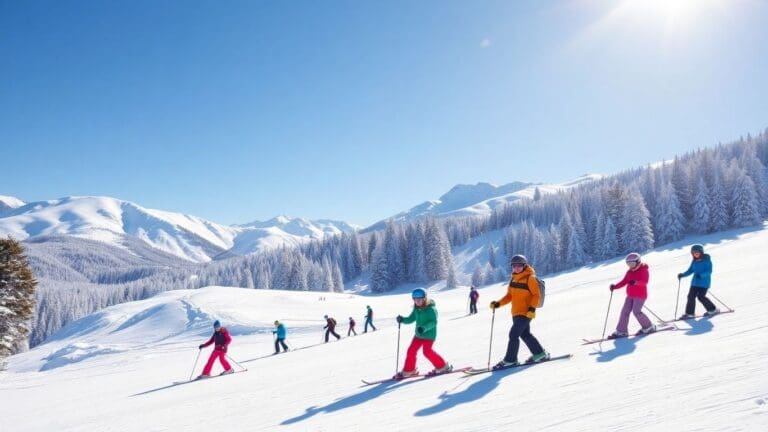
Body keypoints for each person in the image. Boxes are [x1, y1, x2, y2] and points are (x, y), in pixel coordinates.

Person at [490, 255, 549, 369]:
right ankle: (540, 354)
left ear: (524, 265)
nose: (517, 268)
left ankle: (510, 359)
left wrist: (532, 309)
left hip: (526, 313)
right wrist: (498, 304)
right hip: (516, 313)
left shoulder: (530, 278)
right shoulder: (513, 279)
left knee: (513, 334)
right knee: (525, 334)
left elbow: (536, 295)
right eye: (514, 265)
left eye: (519, 265)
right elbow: (509, 296)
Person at [394, 288, 452, 379]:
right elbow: (411, 319)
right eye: (415, 300)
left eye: (419, 299)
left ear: (425, 298)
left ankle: (443, 367)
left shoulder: (431, 310)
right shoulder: (416, 309)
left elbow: (433, 322)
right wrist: (402, 319)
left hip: (429, 335)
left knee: (427, 351)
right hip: (418, 335)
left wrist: (424, 328)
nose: (417, 302)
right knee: (411, 351)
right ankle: (410, 370)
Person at [608, 252, 655, 338]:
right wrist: (615, 287)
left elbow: (645, 282)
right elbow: (624, 282)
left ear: (638, 262)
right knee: (624, 312)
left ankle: (649, 327)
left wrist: (636, 282)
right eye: (628, 264)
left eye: (632, 263)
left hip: (640, 295)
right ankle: (622, 331)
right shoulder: (629, 272)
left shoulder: (643, 270)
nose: (630, 266)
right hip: (630, 296)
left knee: (636, 311)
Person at [677, 244, 719, 319]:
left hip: (704, 283)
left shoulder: (707, 261)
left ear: (701, 252)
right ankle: (690, 313)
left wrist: (701, 275)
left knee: (701, 297)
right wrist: (683, 275)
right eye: (693, 253)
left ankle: (713, 310)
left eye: (697, 252)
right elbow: (690, 270)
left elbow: (709, 271)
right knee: (690, 296)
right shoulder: (694, 261)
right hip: (695, 283)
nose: (695, 254)